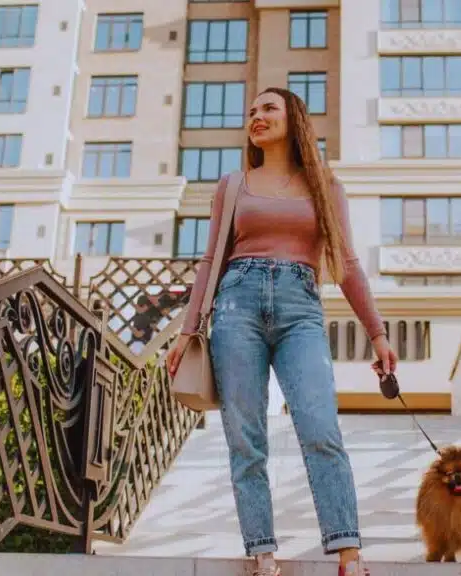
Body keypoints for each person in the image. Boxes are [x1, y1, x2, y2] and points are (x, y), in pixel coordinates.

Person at [166, 87, 397, 576]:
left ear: (294, 117)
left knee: (320, 428)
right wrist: (187, 331)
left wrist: (377, 333)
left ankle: (349, 554)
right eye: (251, 111)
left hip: (300, 310)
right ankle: (263, 552)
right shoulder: (233, 185)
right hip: (236, 306)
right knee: (246, 438)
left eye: (268, 108)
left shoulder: (326, 187)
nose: (257, 116)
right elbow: (211, 260)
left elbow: (347, 264)